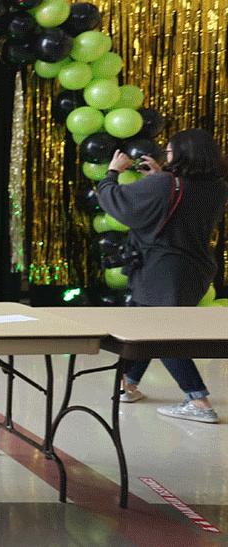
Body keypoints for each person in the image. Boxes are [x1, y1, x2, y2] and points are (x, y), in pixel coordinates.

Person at [98, 128, 228, 424]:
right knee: (142, 324)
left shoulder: (166, 185)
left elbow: (117, 200)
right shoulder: (216, 187)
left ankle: (199, 402)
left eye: (168, 153)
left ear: (182, 155)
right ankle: (128, 383)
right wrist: (158, 176)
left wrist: (111, 172)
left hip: (162, 270)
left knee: (162, 336)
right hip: (193, 269)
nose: (165, 157)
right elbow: (177, 203)